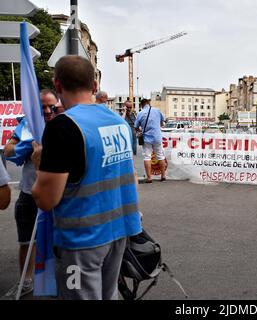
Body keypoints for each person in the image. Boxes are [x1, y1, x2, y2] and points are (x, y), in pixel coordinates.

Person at [31, 55, 142, 300]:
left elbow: (45, 199)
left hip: (82, 240)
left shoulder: (63, 126)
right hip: (120, 231)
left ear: (57, 85)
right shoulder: (119, 123)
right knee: (108, 294)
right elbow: (129, 178)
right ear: (94, 85)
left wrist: (39, 161)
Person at [1, 89, 57, 299]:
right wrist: (24, 147)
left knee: (58, 241)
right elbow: (7, 150)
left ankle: (59, 282)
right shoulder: (27, 125)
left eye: (51, 105)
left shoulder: (66, 125)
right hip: (28, 194)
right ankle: (26, 280)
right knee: (26, 241)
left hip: (56, 195)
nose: (48, 110)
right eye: (42, 107)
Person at [134, 98, 166, 183]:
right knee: (160, 156)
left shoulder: (140, 113)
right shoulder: (157, 110)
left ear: (142, 105)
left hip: (147, 138)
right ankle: (163, 176)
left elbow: (136, 126)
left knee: (147, 157)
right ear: (148, 103)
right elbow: (162, 123)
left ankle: (149, 178)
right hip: (157, 137)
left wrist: (141, 129)